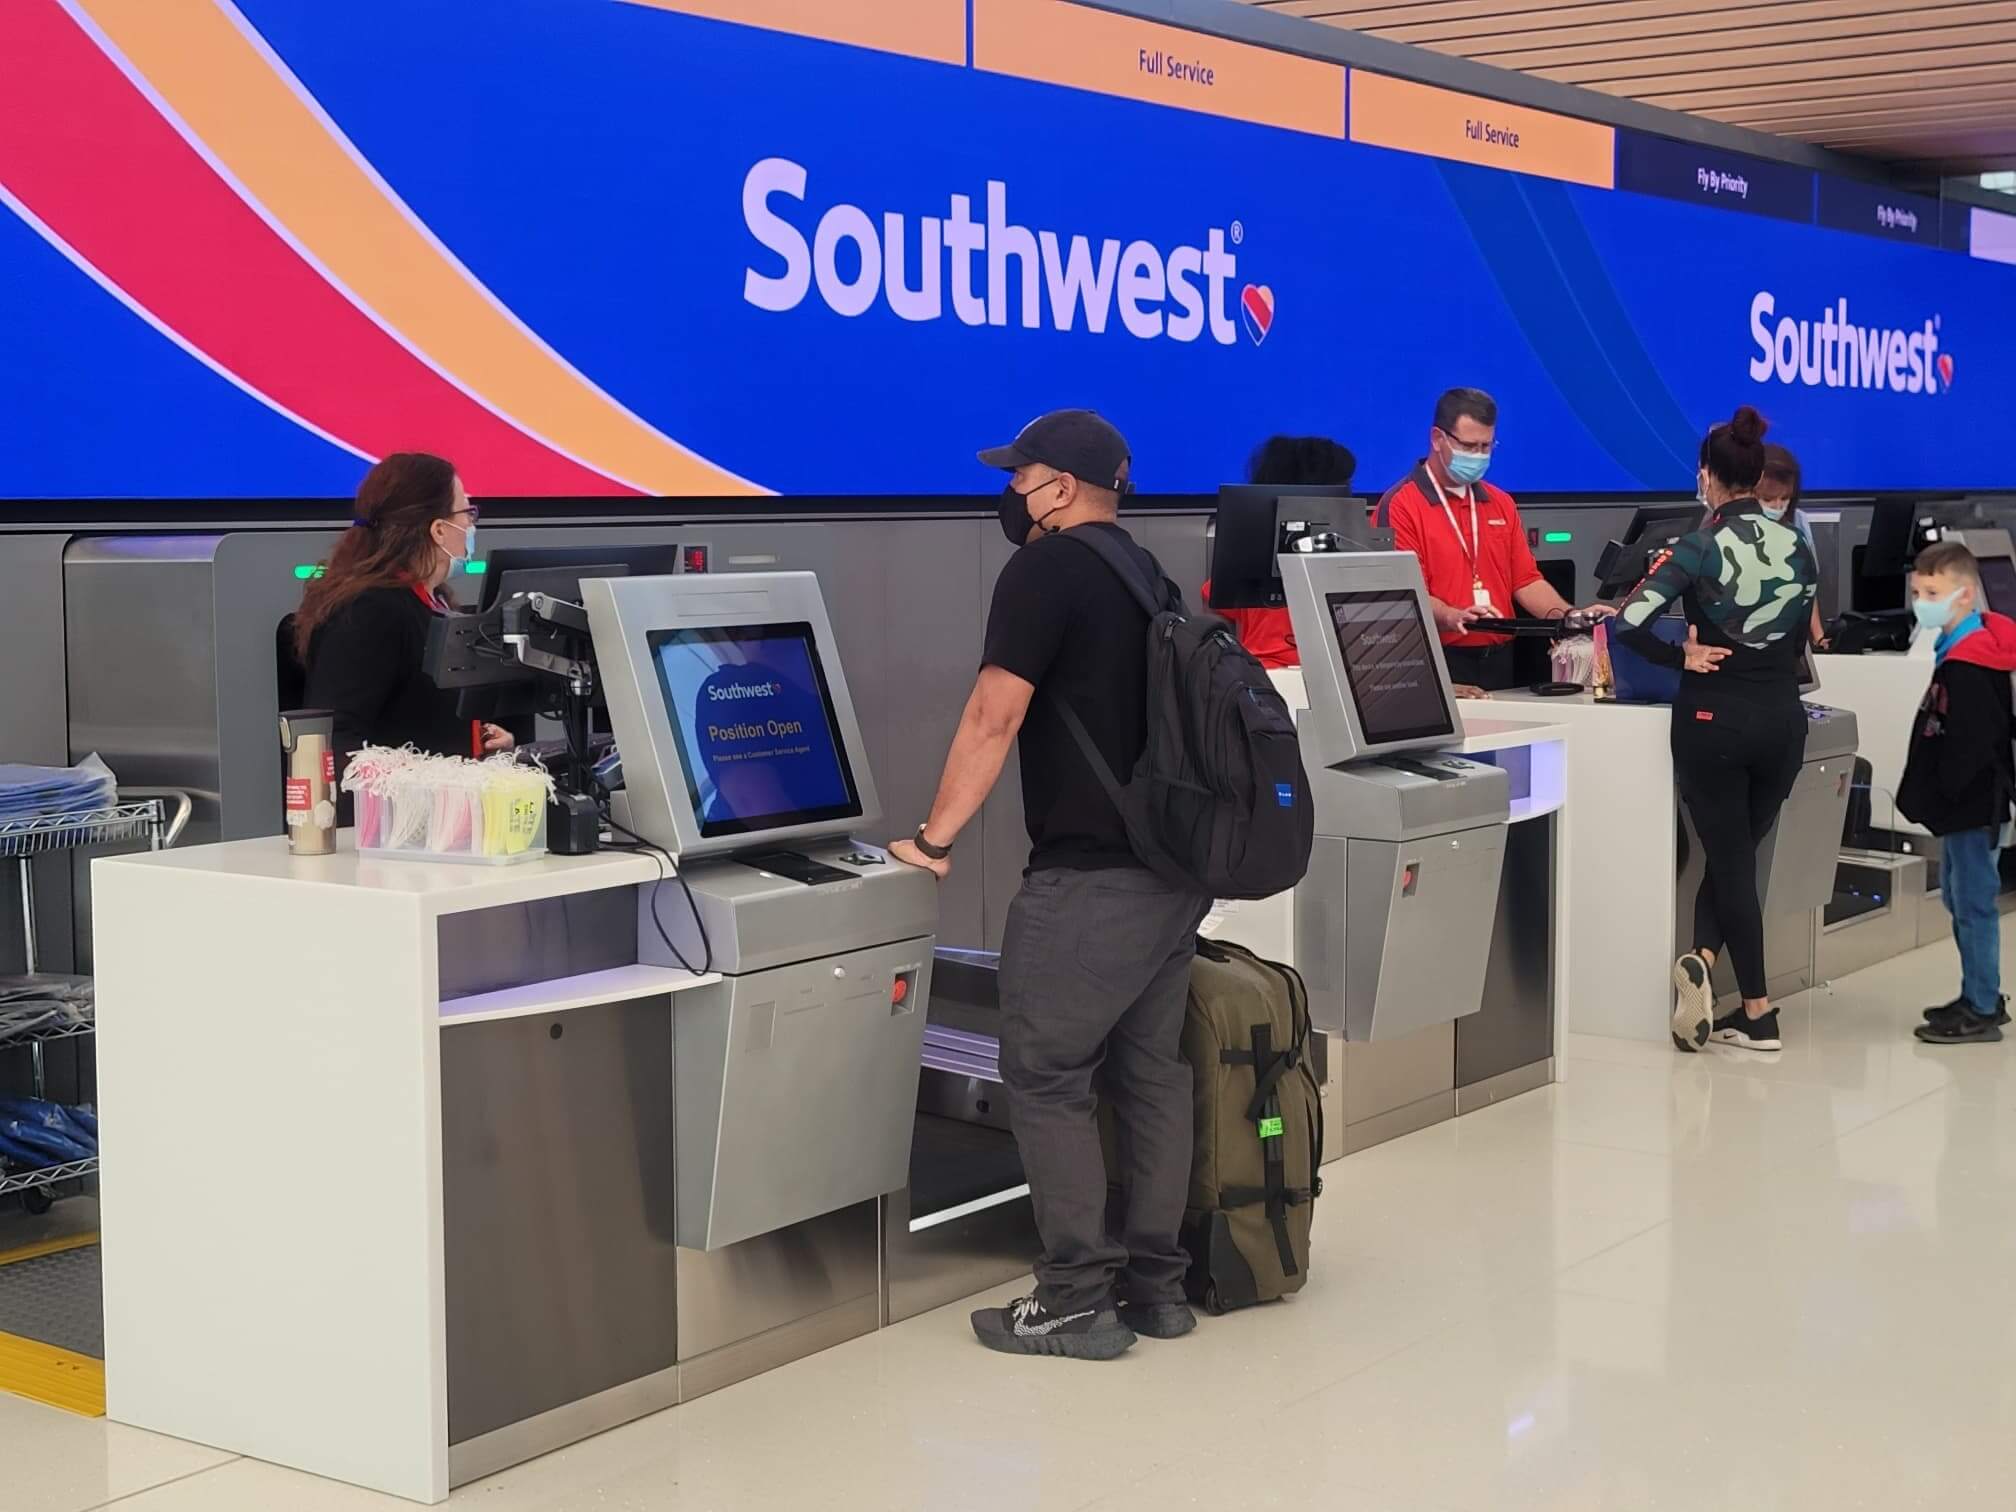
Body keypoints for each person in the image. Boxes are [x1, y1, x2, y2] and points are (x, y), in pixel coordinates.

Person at [888, 410, 1211, 1361]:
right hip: (1170, 873)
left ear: (1060, 487)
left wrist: (932, 840)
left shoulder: (1046, 569)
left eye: (1020, 475)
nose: (1010, 492)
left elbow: (995, 713)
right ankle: (1158, 1289)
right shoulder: (1147, 574)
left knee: (1046, 1073)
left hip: (1089, 880)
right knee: (1152, 1074)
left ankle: (1074, 1298)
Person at [1616, 406, 1817, 1054]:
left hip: (1714, 718)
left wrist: (1684, 656)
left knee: (1729, 861)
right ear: (1758, 477)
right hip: (1784, 719)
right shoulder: (1798, 547)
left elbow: (1628, 622)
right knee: (1734, 860)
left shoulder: (1696, 546)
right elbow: (1794, 633)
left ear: (1707, 478)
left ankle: (1758, 1009)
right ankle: (1703, 957)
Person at [1376, 387, 1607, 690]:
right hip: (1437, 660)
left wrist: (1572, 616)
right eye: (1470, 446)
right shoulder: (1401, 505)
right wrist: (1452, 615)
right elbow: (1405, 594)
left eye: (1487, 447)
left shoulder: (1500, 502)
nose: (1479, 456)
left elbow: (1526, 581)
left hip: (1500, 660)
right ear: (1437, 439)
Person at [296, 453, 515, 771]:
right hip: (395, 814)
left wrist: (481, 741)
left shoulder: (434, 602)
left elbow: (421, 717)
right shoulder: (370, 612)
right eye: (467, 512)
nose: (471, 523)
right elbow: (341, 742)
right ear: (438, 530)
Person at [1896, 542, 2016, 1046]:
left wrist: (1942, 795)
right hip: (1968, 802)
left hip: (1973, 803)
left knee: (1973, 902)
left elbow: (1971, 741)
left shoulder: (1970, 663)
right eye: (1919, 592)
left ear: (1965, 596)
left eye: (1933, 592)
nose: (1923, 601)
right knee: (1957, 895)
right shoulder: (1963, 647)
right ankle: (1977, 992)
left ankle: (1984, 1005)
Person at [1202, 435, 1358, 670]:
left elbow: (1213, 601)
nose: (1351, 498)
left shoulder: (1252, 548)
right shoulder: (1344, 547)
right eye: (1345, 488)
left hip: (1280, 675)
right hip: (1272, 675)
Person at [1757, 443, 1830, 650]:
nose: (1778, 506)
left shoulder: (1798, 522)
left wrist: (1819, 637)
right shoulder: (1733, 530)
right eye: (1769, 499)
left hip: (1790, 639)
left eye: (1785, 499)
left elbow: (1808, 587)